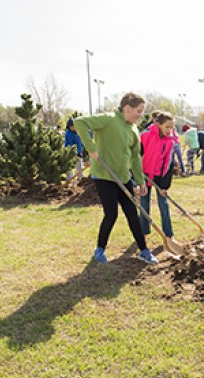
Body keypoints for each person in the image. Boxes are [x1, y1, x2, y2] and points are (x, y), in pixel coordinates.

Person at [74, 92, 158, 264]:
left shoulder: (133, 128)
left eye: (142, 111)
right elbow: (79, 122)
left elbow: (135, 157)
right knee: (111, 214)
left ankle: (144, 251)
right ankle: (100, 249)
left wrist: (140, 180)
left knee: (132, 214)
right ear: (127, 108)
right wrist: (91, 148)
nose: (141, 115)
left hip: (124, 177)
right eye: (139, 111)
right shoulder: (109, 119)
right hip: (104, 176)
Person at [140, 112, 176, 242]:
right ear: (158, 124)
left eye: (171, 127)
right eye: (167, 127)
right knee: (144, 204)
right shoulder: (145, 136)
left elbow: (168, 164)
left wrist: (164, 186)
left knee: (163, 204)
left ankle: (169, 234)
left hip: (160, 178)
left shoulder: (170, 142)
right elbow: (136, 155)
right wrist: (137, 174)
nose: (169, 130)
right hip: (144, 175)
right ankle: (143, 232)